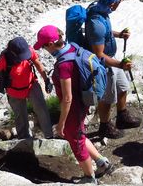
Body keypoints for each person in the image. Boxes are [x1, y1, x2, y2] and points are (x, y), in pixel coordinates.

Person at [35, 25, 112, 184]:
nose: (43, 49)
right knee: (80, 135)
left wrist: (61, 123)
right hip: (83, 101)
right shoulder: (73, 48)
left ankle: (89, 178)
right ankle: (101, 163)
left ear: (50, 44)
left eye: (43, 46)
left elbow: (67, 98)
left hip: (73, 108)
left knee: (75, 140)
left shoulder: (64, 65)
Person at [85, 0, 138, 139]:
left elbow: (106, 33)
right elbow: (98, 54)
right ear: (112, 4)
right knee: (107, 97)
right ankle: (105, 126)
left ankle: (122, 116)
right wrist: (120, 64)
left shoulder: (101, 11)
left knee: (122, 87)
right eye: (118, 1)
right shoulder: (97, 24)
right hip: (105, 65)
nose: (119, 3)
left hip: (112, 59)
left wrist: (119, 35)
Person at [0, 36, 54, 140]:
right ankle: (24, 140)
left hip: (31, 85)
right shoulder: (5, 59)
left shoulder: (29, 51)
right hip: (14, 92)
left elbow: (38, 65)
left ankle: (49, 136)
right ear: (13, 53)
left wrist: (46, 80)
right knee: (20, 116)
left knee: (41, 109)